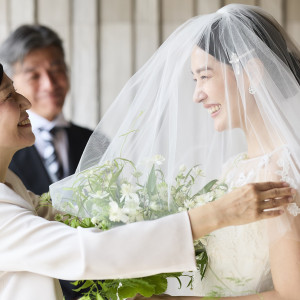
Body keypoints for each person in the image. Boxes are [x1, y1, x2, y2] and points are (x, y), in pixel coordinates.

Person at [51, 3, 300, 300]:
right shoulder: (235, 168)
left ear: (252, 74)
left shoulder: (281, 172)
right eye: (195, 80)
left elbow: (291, 294)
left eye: (205, 76)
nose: (197, 95)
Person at [0, 63, 293, 300]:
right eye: (8, 96)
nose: (25, 101)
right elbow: (87, 250)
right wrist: (217, 214)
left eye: (204, 75)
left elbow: (87, 226)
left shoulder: (11, 186)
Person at [0, 24, 108, 299]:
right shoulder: (8, 150)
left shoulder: (98, 142)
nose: (50, 84)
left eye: (57, 69)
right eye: (34, 74)